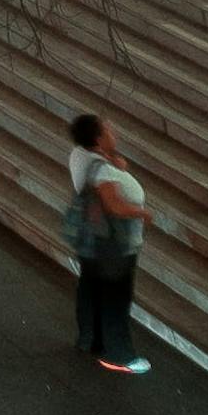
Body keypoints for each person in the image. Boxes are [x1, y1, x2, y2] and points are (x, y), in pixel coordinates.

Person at [64, 112, 149, 375]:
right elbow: (114, 206)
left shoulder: (80, 156)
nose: (115, 133)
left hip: (91, 241)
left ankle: (90, 340)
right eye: (109, 130)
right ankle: (119, 355)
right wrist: (143, 213)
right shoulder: (102, 170)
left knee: (90, 290)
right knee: (115, 298)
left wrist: (114, 163)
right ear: (99, 140)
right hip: (114, 244)